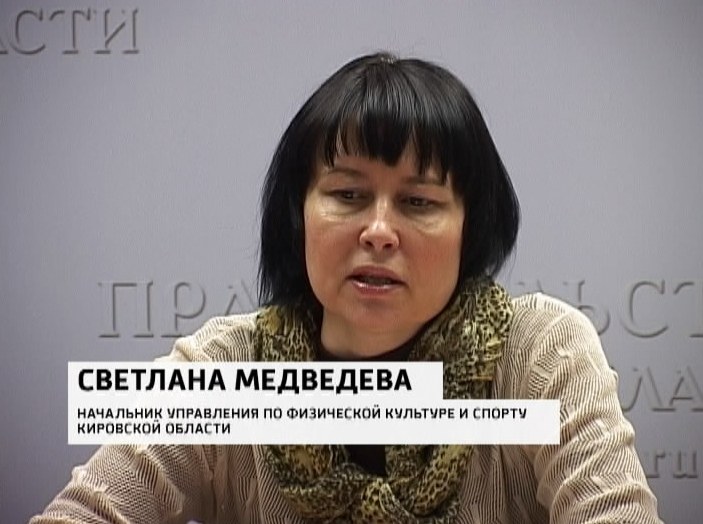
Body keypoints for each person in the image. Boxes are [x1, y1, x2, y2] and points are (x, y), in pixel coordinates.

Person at [32, 52, 662, 523]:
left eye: (419, 201)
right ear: (298, 215)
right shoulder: (225, 366)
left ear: (471, 230)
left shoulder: (541, 353)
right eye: (348, 194)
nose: (379, 231)